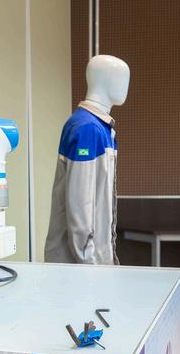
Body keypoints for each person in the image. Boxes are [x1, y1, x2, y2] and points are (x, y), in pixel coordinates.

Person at [44, 55, 129, 264]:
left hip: (90, 265)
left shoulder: (100, 127)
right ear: (104, 79)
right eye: (122, 77)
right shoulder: (87, 128)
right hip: (80, 268)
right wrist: (91, 265)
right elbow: (80, 208)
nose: (126, 85)